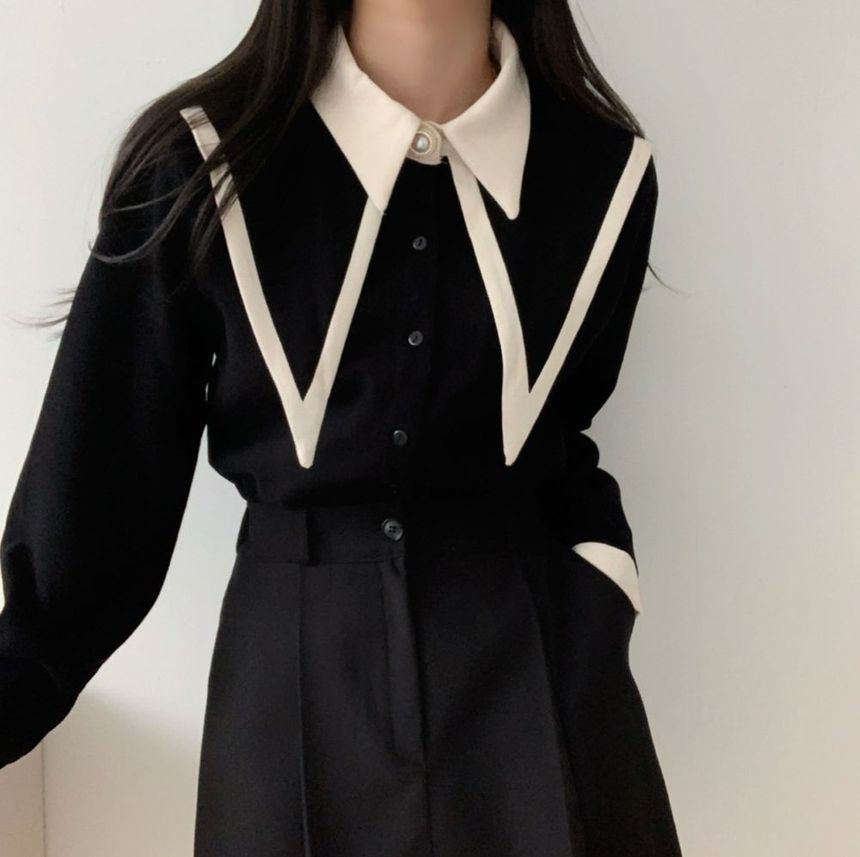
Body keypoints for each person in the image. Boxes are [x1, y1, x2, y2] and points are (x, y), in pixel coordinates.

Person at [0, 1, 682, 855]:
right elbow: (104, 476)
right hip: (291, 676)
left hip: (540, 668)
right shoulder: (201, 161)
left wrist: (603, 581)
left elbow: (564, 428)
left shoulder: (604, 171)